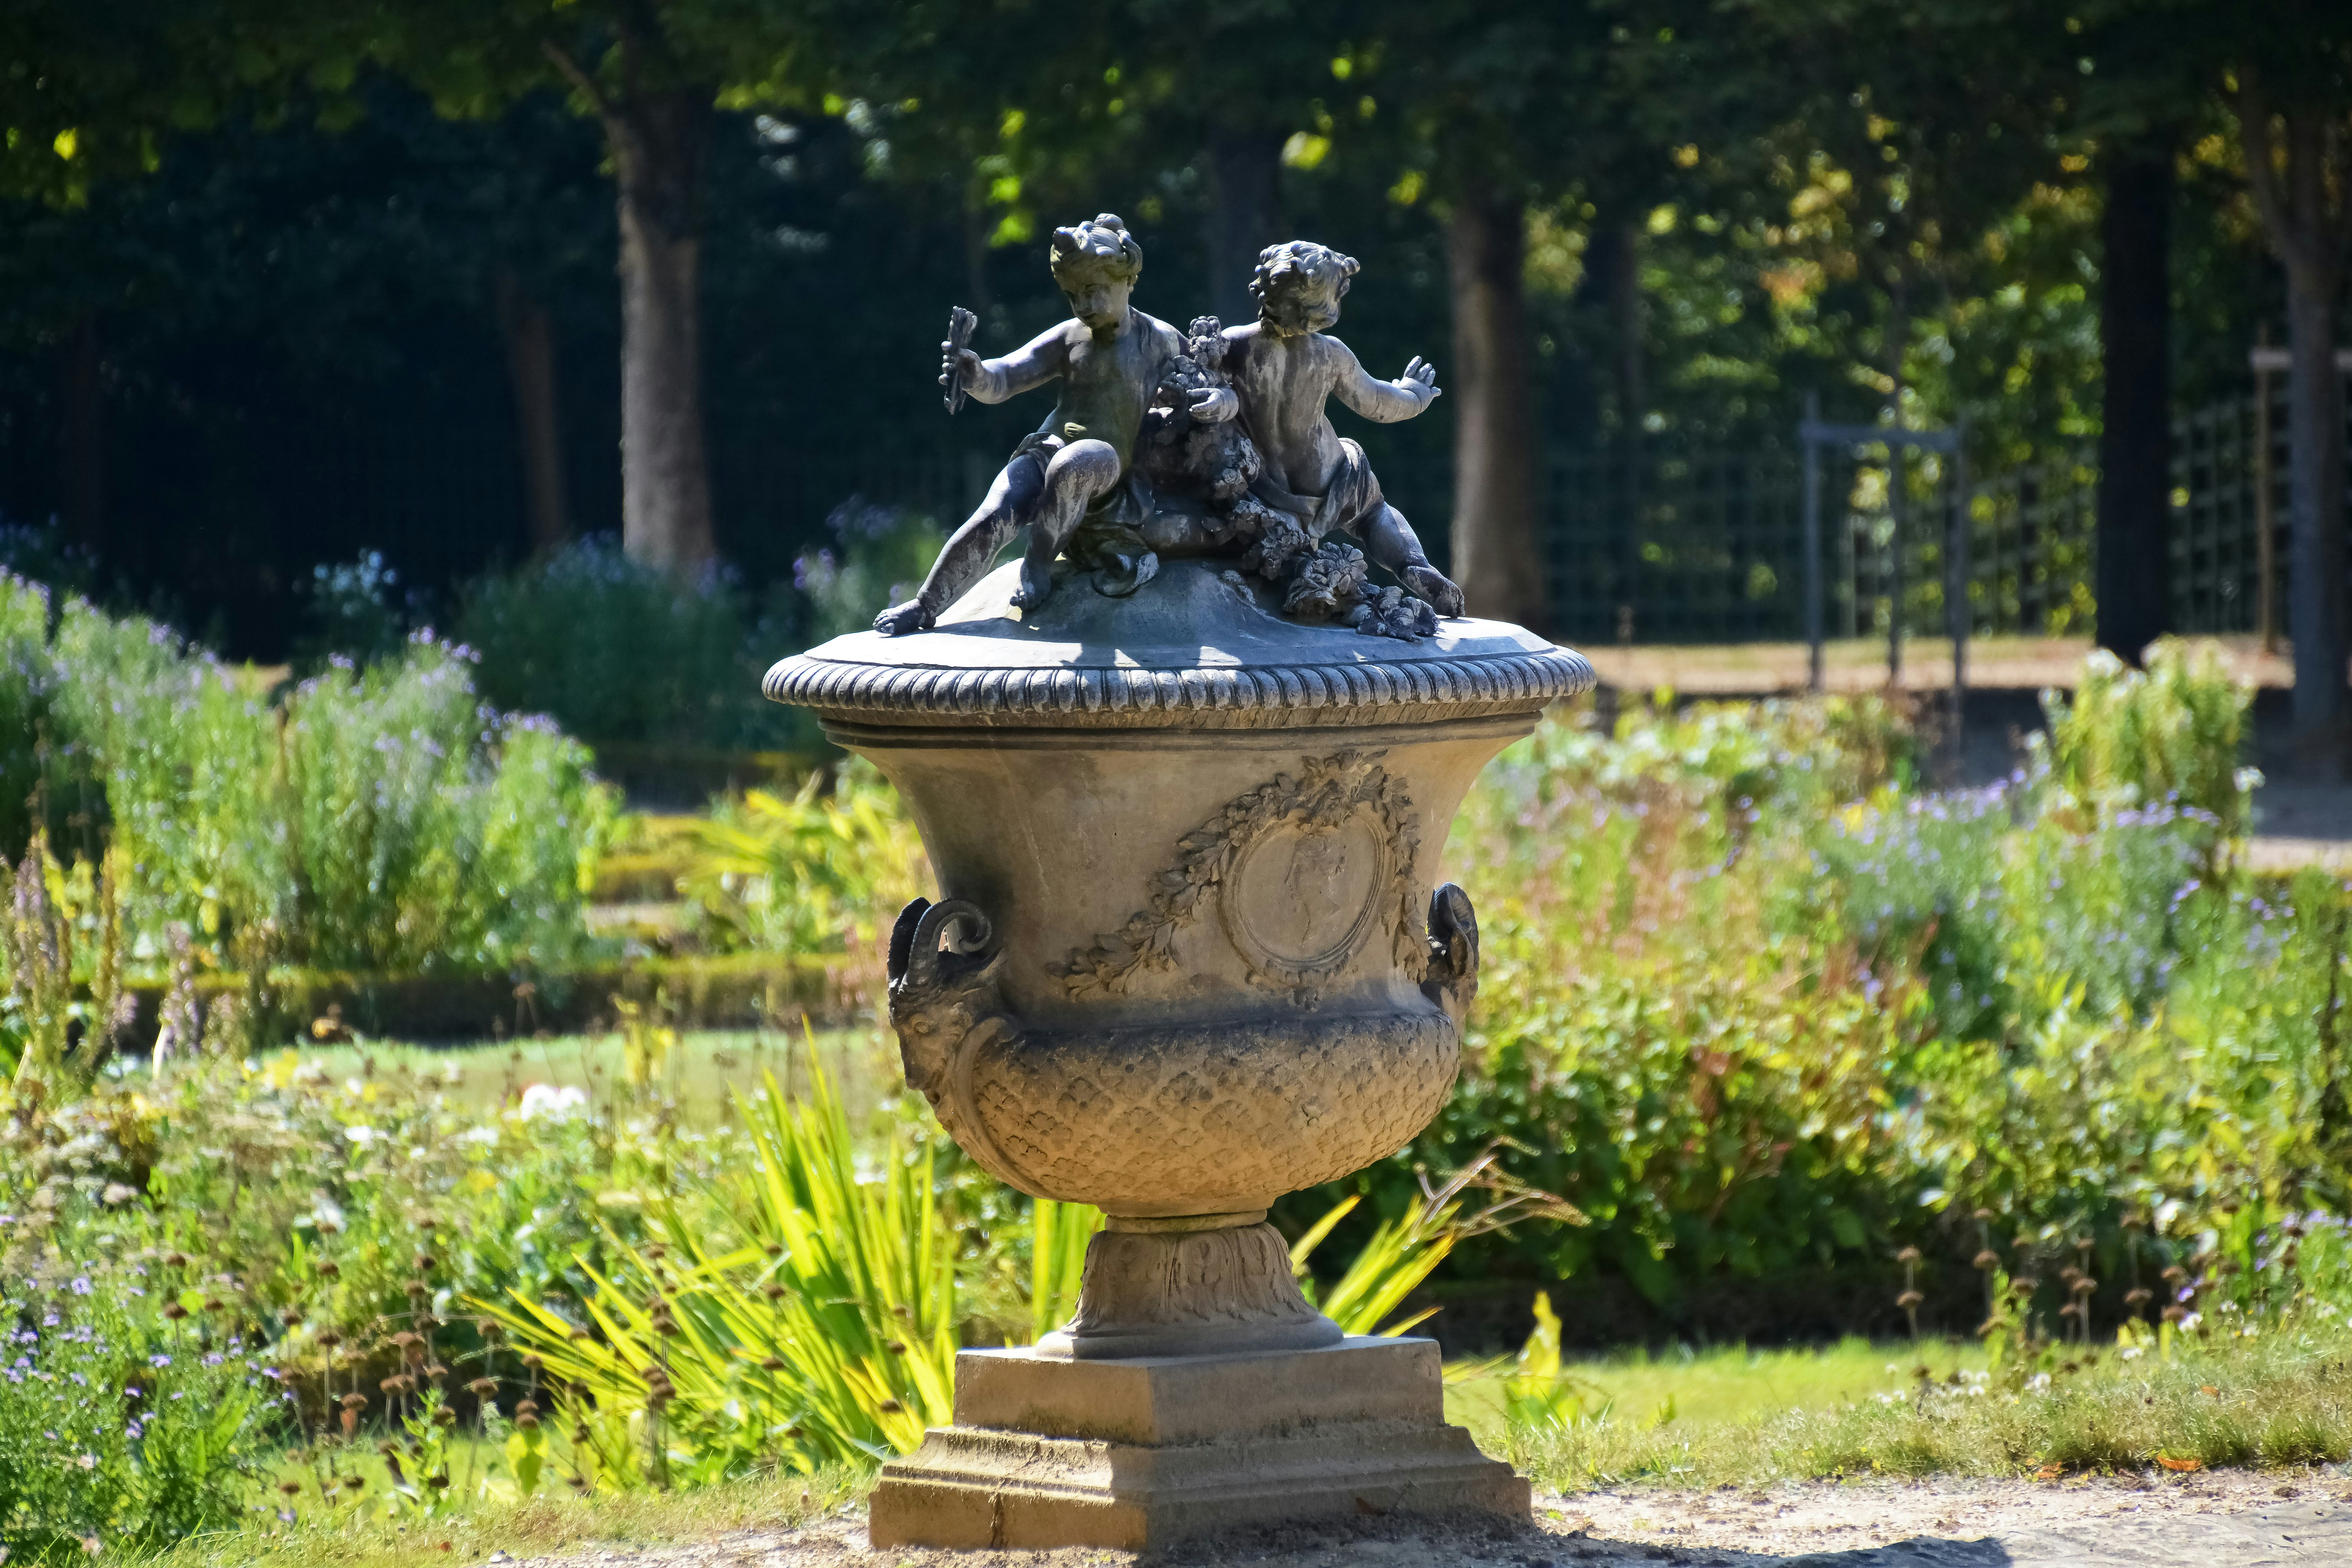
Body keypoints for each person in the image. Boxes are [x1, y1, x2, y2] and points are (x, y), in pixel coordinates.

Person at [873, 214, 1236, 635]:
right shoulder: (1070, 336)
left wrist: (1221, 403)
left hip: (1105, 461)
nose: (1084, 305)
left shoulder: (1159, 340)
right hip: (1047, 445)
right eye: (1073, 295)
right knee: (993, 515)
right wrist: (975, 375)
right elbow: (1008, 376)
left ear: (1126, 280)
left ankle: (1038, 564)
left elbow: (1211, 386)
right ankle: (924, 605)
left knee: (1073, 465)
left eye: (1094, 291)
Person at [1217, 240, 1466, 617]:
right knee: (1373, 512)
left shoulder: (1235, 344)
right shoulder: (1330, 353)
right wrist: (1415, 395)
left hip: (1263, 484)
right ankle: (1414, 566)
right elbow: (1378, 403)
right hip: (1328, 475)